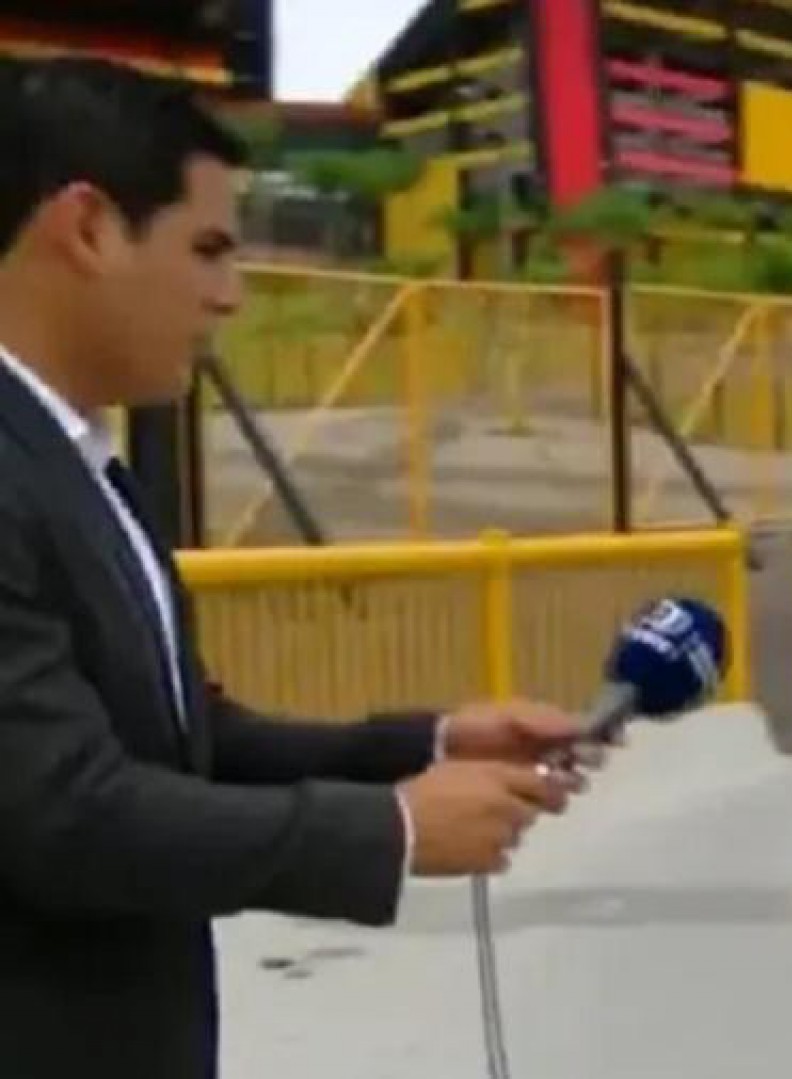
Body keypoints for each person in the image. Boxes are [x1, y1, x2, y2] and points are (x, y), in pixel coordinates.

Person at [0, 57, 609, 1079]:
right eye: (207, 250)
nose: (232, 296)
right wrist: (394, 828)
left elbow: (189, 740)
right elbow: (64, 813)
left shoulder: (75, 463)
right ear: (91, 227)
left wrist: (428, 739)